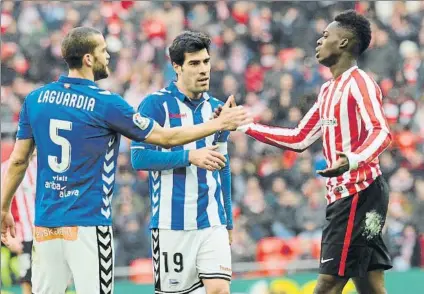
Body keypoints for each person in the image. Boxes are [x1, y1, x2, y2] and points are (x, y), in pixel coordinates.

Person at [0, 27, 250, 294]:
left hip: (46, 224)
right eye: (103, 51)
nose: (108, 57)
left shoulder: (36, 99)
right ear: (88, 59)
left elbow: (18, 161)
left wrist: (3, 208)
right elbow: (163, 138)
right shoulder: (107, 103)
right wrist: (218, 125)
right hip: (90, 224)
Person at [219, 10, 393, 294]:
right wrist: (244, 126)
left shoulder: (359, 83)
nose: (318, 41)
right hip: (355, 196)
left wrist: (351, 160)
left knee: (326, 285)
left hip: (357, 193)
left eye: (326, 36)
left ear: (344, 43)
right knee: (369, 285)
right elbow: (299, 138)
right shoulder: (327, 91)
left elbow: (381, 131)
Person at [131, 31, 233, 294]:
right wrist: (188, 156)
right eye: (194, 63)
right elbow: (139, 157)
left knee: (219, 289)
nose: (203, 70)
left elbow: (224, 165)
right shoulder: (154, 105)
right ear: (176, 67)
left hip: (212, 221)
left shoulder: (218, 109)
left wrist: (228, 221)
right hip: (170, 225)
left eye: (206, 62)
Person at [1, 151, 36, 294]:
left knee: (56, 279)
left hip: (49, 234)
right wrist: (8, 237)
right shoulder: (5, 169)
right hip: (24, 236)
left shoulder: (46, 166)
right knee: (27, 282)